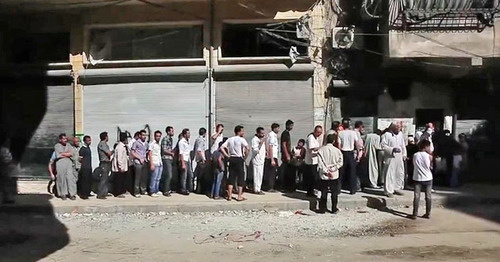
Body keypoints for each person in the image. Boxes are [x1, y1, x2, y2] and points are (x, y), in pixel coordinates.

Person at [221, 125, 249, 202]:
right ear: (239, 131)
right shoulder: (241, 139)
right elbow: (248, 148)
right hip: (239, 158)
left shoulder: (230, 139)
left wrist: (227, 155)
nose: (243, 132)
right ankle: (239, 196)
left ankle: (229, 196)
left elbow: (222, 147)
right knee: (240, 177)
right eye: (242, 131)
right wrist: (245, 157)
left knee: (231, 177)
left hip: (232, 158)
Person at [317, 134, 344, 214]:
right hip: (334, 174)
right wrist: (333, 169)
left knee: (324, 191)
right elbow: (340, 162)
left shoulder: (321, 150)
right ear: (333, 141)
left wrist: (326, 171)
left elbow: (320, 163)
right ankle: (334, 208)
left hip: (324, 174)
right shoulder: (337, 151)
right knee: (334, 192)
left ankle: (322, 208)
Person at [381, 122, 407, 198]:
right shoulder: (386, 135)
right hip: (390, 157)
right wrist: (392, 149)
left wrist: (404, 154)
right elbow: (383, 146)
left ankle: (396, 188)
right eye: (397, 127)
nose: (399, 129)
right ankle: (388, 191)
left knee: (398, 172)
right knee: (390, 173)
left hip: (399, 157)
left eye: (400, 127)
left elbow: (403, 145)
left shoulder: (400, 134)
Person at [409, 139, 433, 220]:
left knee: (416, 196)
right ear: (426, 147)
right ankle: (428, 213)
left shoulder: (415, 155)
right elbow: (429, 166)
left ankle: (414, 214)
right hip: (428, 178)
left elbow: (414, 165)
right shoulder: (429, 156)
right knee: (428, 196)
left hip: (417, 178)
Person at [338, 118, 361, 194]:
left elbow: (339, 145)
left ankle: (338, 188)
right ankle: (352, 189)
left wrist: (339, 154)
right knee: (352, 172)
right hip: (351, 153)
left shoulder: (340, 133)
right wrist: (358, 153)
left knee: (341, 172)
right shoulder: (353, 133)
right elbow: (357, 144)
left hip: (343, 153)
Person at [54, 133, 77, 200]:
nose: (65, 140)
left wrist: (63, 153)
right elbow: (58, 155)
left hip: (68, 162)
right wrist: (66, 153)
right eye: (63, 139)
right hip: (60, 162)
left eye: (66, 138)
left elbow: (71, 154)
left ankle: (72, 194)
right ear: (60, 139)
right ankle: (62, 194)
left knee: (70, 178)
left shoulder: (69, 145)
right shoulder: (57, 146)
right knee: (61, 178)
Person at [304, 125, 323, 197]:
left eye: (320, 132)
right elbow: (312, 148)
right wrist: (319, 148)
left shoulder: (316, 138)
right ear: (314, 131)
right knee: (313, 178)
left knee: (313, 178)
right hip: (310, 161)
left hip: (315, 161)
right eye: (318, 132)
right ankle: (310, 192)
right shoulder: (311, 138)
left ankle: (311, 191)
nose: (319, 134)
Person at [131, 130, 148, 197]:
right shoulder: (136, 143)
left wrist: (145, 158)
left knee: (144, 177)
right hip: (138, 162)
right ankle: (136, 192)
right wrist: (139, 158)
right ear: (140, 136)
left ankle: (143, 190)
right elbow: (132, 152)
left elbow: (146, 152)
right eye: (143, 135)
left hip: (144, 161)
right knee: (137, 177)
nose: (144, 137)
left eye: (145, 135)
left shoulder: (146, 144)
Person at [263, 123, 280, 192]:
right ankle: (270, 187)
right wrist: (272, 159)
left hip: (269, 156)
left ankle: (268, 186)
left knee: (269, 172)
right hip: (272, 157)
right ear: (275, 128)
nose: (279, 130)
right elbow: (271, 147)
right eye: (278, 128)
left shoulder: (269, 135)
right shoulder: (272, 135)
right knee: (272, 173)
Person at [112, 132, 129, 198]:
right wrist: (120, 167)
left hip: (123, 167)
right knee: (118, 180)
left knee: (122, 180)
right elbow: (119, 158)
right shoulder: (120, 147)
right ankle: (117, 193)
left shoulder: (123, 146)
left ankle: (122, 191)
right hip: (119, 168)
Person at [97, 132, 113, 200]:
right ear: (105, 137)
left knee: (106, 179)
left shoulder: (105, 144)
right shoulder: (102, 144)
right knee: (103, 179)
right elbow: (108, 153)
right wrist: (114, 150)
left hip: (107, 163)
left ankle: (105, 192)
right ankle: (100, 194)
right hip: (104, 163)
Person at [281, 120, 295, 192]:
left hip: (289, 154)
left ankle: (289, 186)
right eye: (291, 125)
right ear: (288, 125)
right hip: (286, 156)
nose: (292, 127)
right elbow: (284, 144)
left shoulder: (287, 133)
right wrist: (287, 155)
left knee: (289, 171)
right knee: (287, 172)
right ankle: (286, 187)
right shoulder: (285, 133)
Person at [251, 127, 266, 195]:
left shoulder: (260, 139)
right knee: (257, 175)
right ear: (258, 133)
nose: (263, 134)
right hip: (257, 160)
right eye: (261, 133)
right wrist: (261, 143)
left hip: (261, 160)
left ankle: (259, 188)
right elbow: (255, 150)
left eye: (263, 133)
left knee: (260, 175)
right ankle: (256, 189)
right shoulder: (255, 140)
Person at [161, 126, 175, 197]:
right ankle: (166, 191)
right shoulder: (165, 139)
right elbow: (164, 150)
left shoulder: (171, 139)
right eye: (172, 131)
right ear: (168, 131)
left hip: (170, 158)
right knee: (169, 175)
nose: (173, 132)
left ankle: (168, 188)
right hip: (166, 158)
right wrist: (171, 153)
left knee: (170, 175)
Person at [178, 128, 193, 195]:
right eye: (188, 133)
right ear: (184, 134)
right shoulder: (181, 142)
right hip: (184, 160)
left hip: (188, 159)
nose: (189, 135)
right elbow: (181, 153)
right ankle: (183, 189)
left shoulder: (187, 142)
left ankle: (189, 188)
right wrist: (183, 163)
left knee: (190, 175)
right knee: (184, 176)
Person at [148, 130, 163, 197]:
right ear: (154, 136)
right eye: (157, 136)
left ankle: (156, 189)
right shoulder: (152, 144)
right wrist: (151, 164)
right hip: (154, 162)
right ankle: (151, 191)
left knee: (158, 178)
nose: (158, 137)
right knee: (153, 177)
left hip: (159, 162)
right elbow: (150, 154)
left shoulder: (159, 144)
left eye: (159, 136)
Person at [193, 127, 208, 194]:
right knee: (201, 176)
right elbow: (199, 150)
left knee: (199, 175)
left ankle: (198, 189)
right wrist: (203, 159)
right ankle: (200, 190)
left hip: (198, 159)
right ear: (204, 133)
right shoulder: (201, 140)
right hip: (201, 160)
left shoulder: (197, 139)